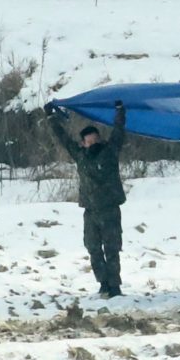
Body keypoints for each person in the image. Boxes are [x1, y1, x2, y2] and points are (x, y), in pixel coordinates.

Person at [48, 101, 127, 298]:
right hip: (90, 211)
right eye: (90, 142)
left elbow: (118, 131)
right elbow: (63, 138)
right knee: (93, 248)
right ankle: (103, 283)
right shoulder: (80, 155)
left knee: (112, 248)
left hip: (109, 209)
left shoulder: (110, 151)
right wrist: (51, 117)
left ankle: (115, 286)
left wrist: (120, 111)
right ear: (83, 144)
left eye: (96, 140)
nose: (94, 144)